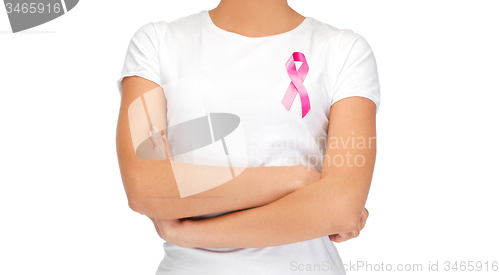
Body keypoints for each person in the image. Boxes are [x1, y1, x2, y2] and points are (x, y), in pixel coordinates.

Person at [115, 0, 380, 274]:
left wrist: (186, 232)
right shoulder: (156, 44)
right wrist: (297, 179)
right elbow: (144, 187)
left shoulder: (344, 51)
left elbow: (341, 208)